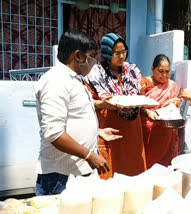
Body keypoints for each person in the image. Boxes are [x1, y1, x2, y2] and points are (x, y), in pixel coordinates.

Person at [35, 30, 121, 196]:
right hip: (59, 176)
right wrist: (89, 155)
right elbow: (53, 133)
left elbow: (74, 116)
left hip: (77, 172)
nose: (94, 62)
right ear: (79, 56)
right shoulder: (55, 81)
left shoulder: (74, 79)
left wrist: (97, 132)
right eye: (91, 56)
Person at [86, 33, 146, 179]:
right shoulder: (95, 74)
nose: (121, 56)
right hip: (109, 130)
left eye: (124, 52)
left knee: (133, 175)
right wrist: (103, 104)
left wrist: (147, 110)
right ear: (107, 53)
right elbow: (87, 103)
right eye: (117, 53)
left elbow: (142, 94)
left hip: (132, 133)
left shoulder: (133, 71)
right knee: (110, 176)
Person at [140, 54, 181, 168]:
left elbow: (178, 105)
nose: (164, 75)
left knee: (165, 166)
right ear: (153, 69)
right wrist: (148, 112)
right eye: (160, 71)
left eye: (167, 72)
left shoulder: (172, 86)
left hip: (166, 130)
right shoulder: (143, 83)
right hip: (148, 130)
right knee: (148, 163)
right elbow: (140, 105)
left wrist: (175, 103)